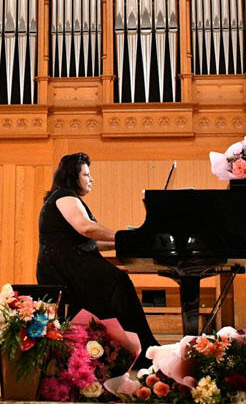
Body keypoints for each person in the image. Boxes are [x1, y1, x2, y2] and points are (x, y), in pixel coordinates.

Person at [36, 152, 159, 361]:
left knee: (117, 281)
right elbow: (86, 229)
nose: (91, 179)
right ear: (72, 177)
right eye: (86, 175)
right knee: (117, 282)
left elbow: (90, 242)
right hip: (63, 270)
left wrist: (128, 242)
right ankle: (140, 349)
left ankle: (124, 350)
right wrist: (126, 237)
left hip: (68, 265)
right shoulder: (64, 195)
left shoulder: (66, 197)